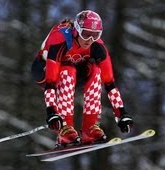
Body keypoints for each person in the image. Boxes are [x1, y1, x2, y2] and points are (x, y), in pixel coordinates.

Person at [31, 10, 134, 147]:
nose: (90, 40)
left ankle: (90, 128)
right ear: (77, 30)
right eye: (86, 34)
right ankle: (65, 128)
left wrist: (121, 114)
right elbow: (51, 82)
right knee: (68, 70)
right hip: (43, 71)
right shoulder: (60, 39)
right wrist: (52, 112)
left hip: (72, 72)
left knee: (96, 70)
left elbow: (109, 83)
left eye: (95, 35)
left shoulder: (97, 46)